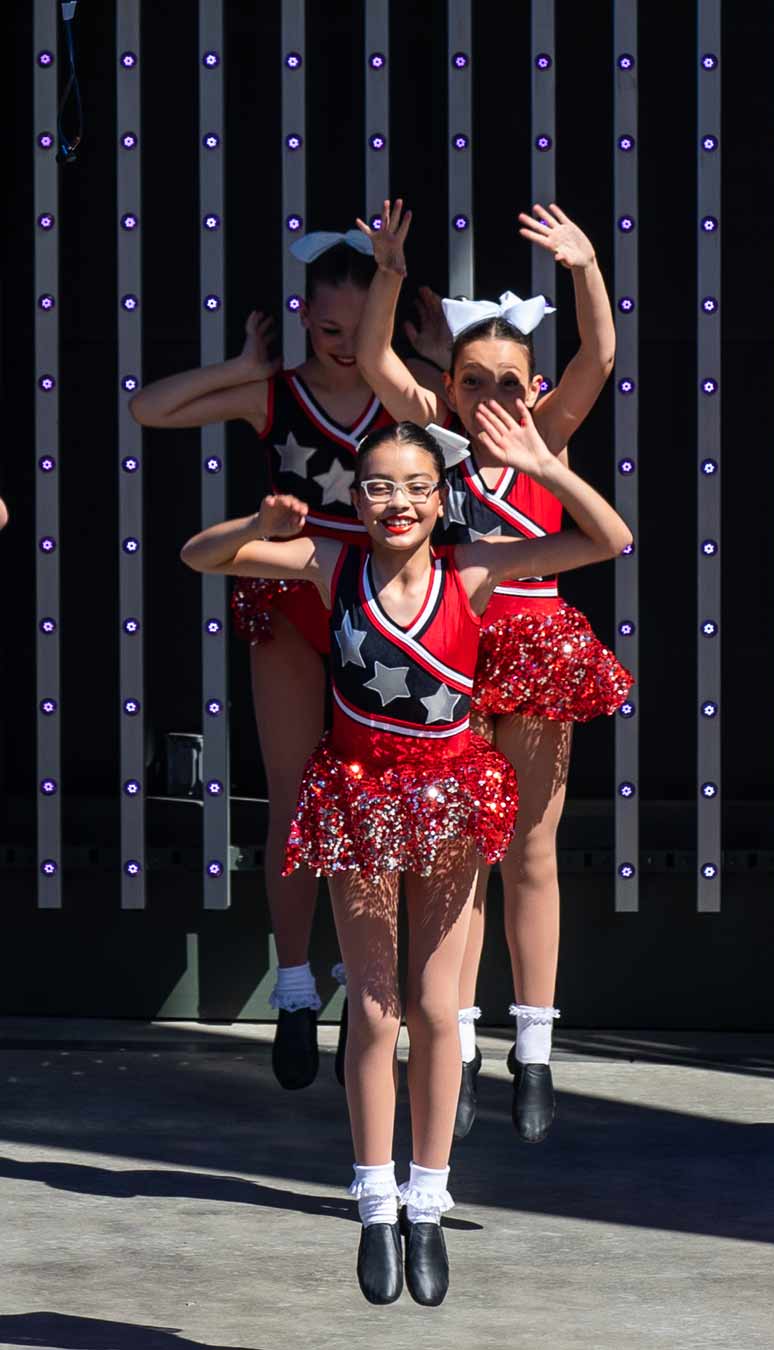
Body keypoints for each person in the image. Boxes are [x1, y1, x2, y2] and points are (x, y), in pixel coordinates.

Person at [179, 407, 632, 1305]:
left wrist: (543, 461)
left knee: (434, 1007)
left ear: (442, 497)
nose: (397, 502)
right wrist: (258, 529)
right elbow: (201, 555)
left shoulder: (473, 570)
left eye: (417, 487)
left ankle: (428, 1198)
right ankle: (374, 1201)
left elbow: (608, 538)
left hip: (450, 803)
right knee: (375, 1012)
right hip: (359, 803)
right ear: (356, 492)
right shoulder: (328, 562)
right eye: (379, 484)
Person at [129, 230, 445, 1090]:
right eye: (329, 328)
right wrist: (239, 365)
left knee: (381, 789)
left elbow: (459, 428)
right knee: (293, 789)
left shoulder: (402, 397)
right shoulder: (274, 395)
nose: (344, 345)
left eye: (358, 328)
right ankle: (298, 985)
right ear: (306, 319)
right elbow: (149, 409)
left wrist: (425, 350)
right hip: (295, 594)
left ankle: (367, 988)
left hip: (389, 604)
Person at [354, 200, 630, 1144]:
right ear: (454, 382)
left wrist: (586, 266)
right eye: (475, 381)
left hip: (542, 646)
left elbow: (601, 356)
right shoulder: (433, 437)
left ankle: (538, 1044)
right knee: (458, 860)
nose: (493, 396)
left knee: (535, 854)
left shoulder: (547, 429)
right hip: (456, 656)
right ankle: (459, 1039)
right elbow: (377, 362)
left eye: (509, 379)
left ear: (533, 381)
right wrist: (387, 272)